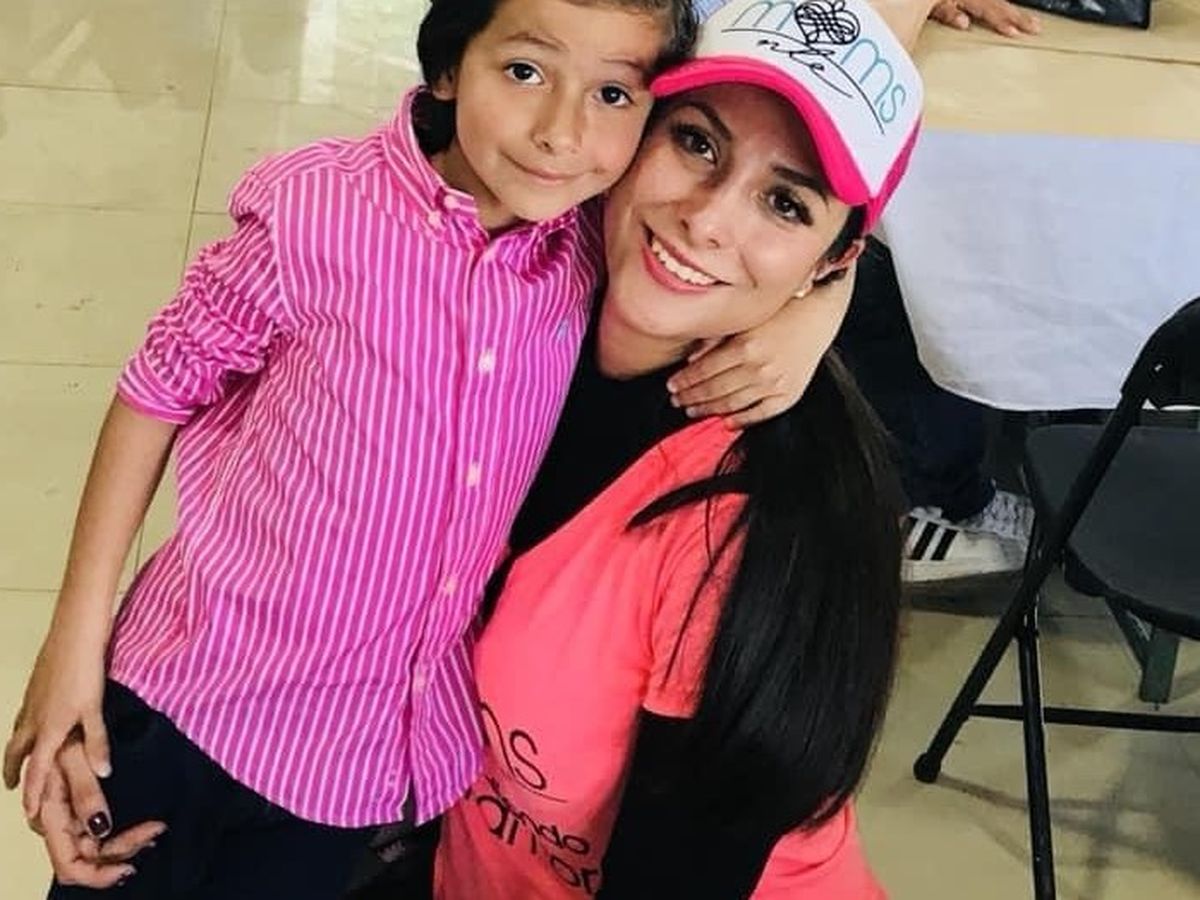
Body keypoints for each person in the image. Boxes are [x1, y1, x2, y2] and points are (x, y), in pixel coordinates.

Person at [5, 0, 869, 895]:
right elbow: (158, 386)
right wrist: (74, 650)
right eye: (525, 72)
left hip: (347, 772)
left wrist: (817, 309)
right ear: (449, 66)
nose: (561, 132)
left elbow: (798, 229)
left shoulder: (582, 242)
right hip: (194, 700)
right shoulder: (322, 213)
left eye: (613, 94)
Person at [423, 0, 924, 896]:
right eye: (696, 143)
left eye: (784, 203)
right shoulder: (519, 297)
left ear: (832, 262)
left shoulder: (764, 531)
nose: (707, 220)